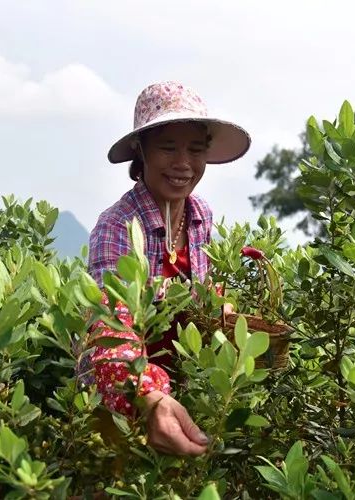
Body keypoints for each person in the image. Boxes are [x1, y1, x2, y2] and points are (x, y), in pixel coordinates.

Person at [85, 81, 250, 456]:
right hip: (130, 403)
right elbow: (110, 328)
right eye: (167, 148)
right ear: (141, 151)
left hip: (186, 391)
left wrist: (220, 309)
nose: (183, 164)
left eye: (195, 149)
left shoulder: (200, 214)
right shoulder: (117, 225)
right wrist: (149, 397)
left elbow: (202, 288)